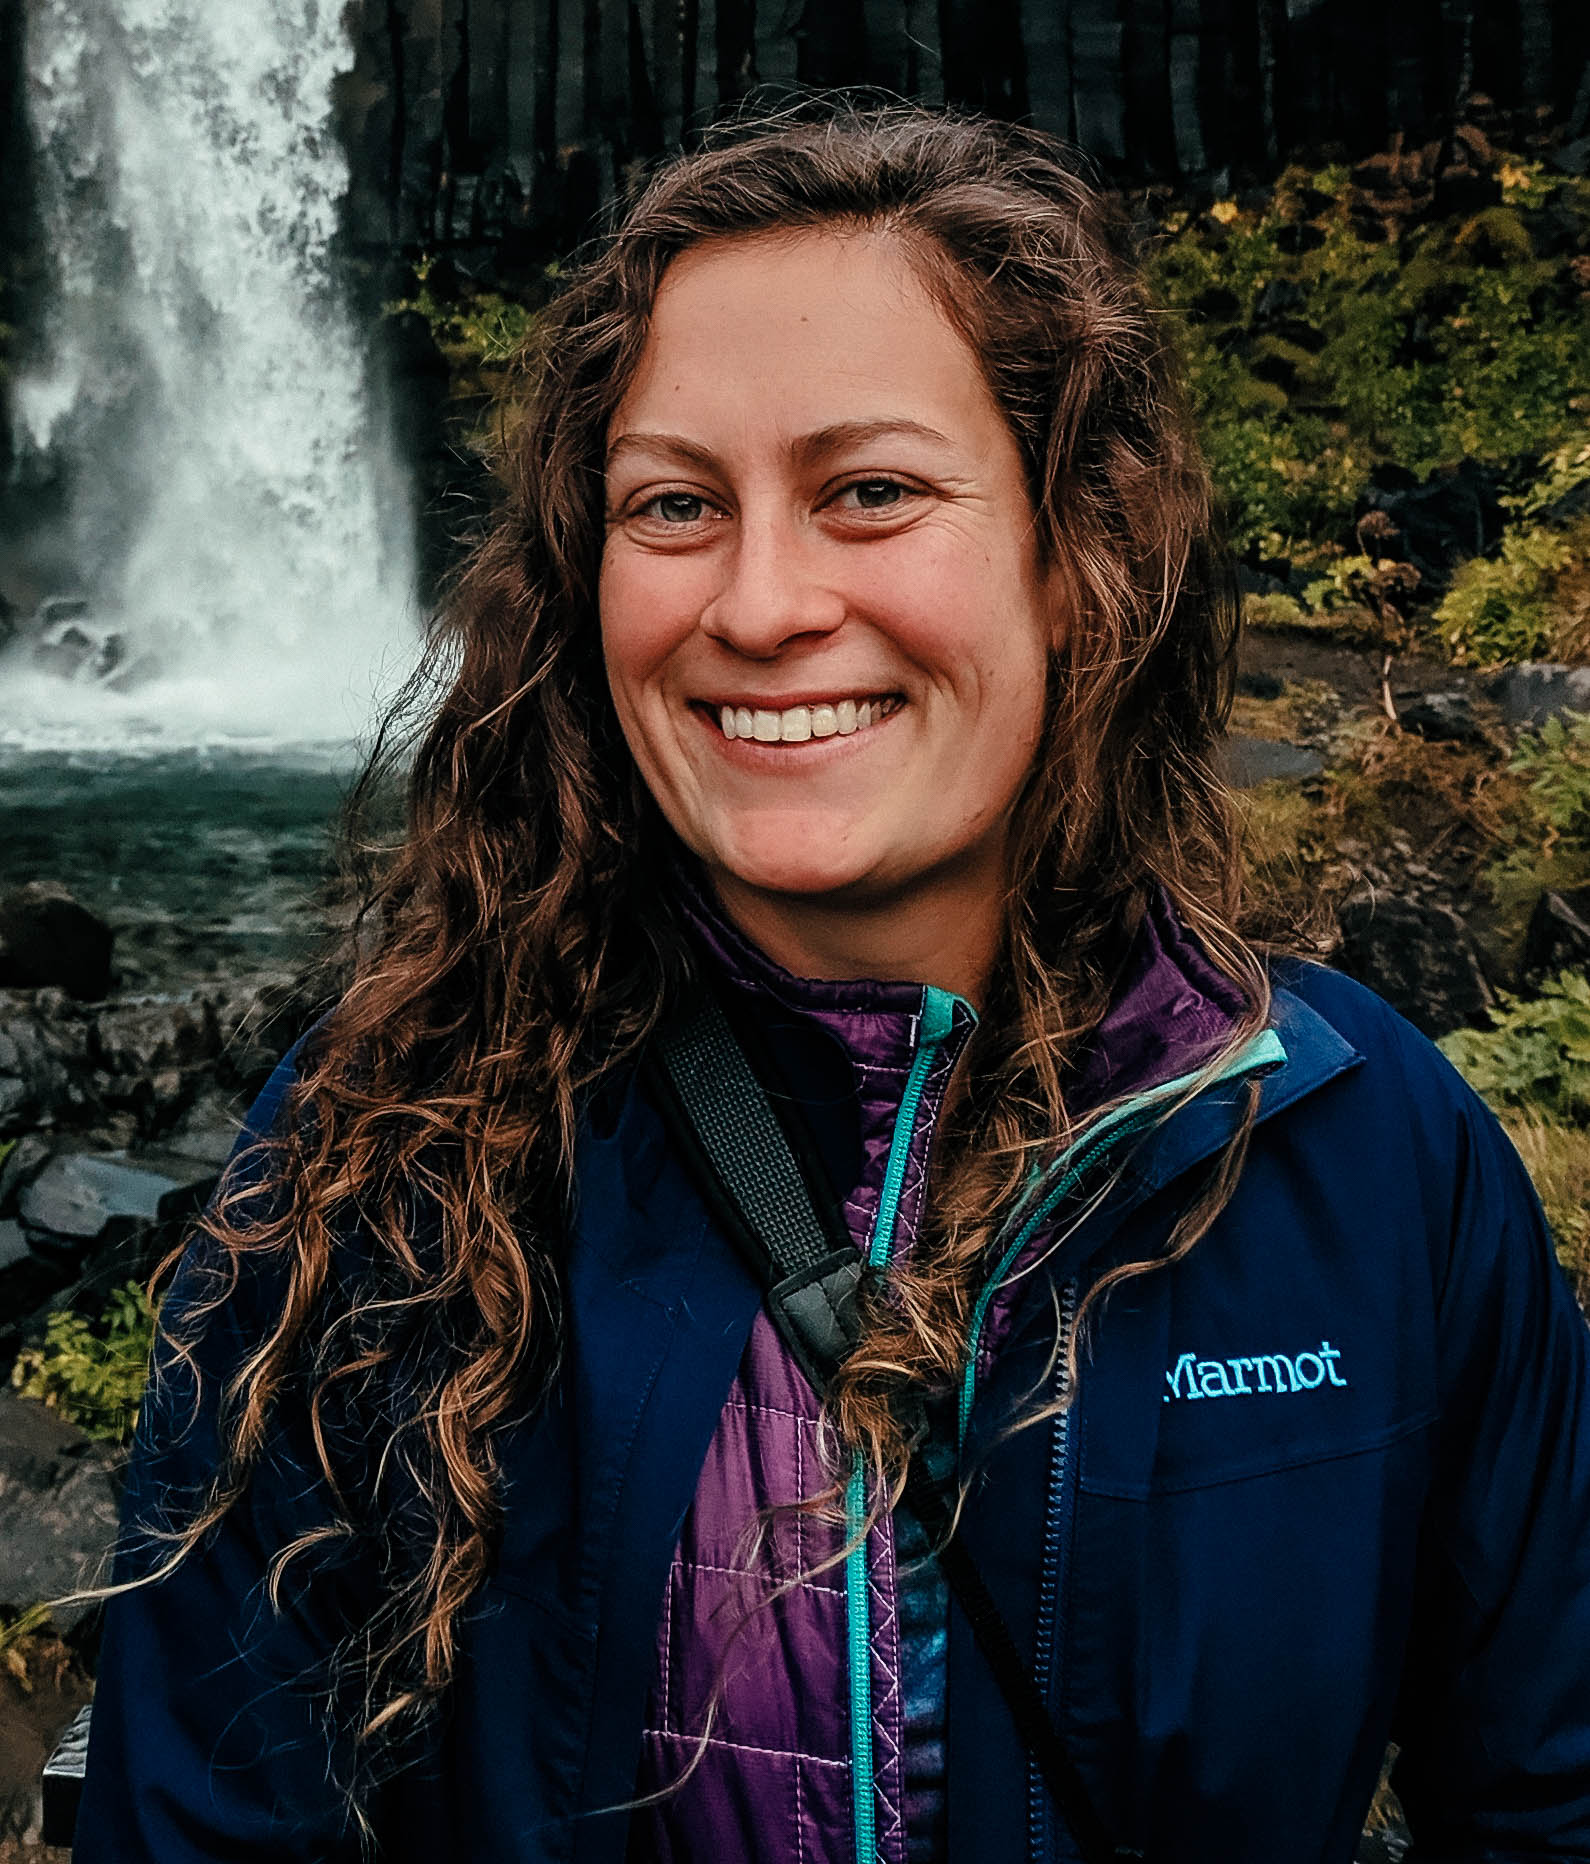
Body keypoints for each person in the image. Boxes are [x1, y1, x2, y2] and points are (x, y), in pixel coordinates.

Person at [75, 105, 1590, 1864]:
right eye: (673, 506)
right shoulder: (384, 1155)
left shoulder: (1357, 1140)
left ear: (1075, 557)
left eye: (870, 490)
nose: (761, 601)